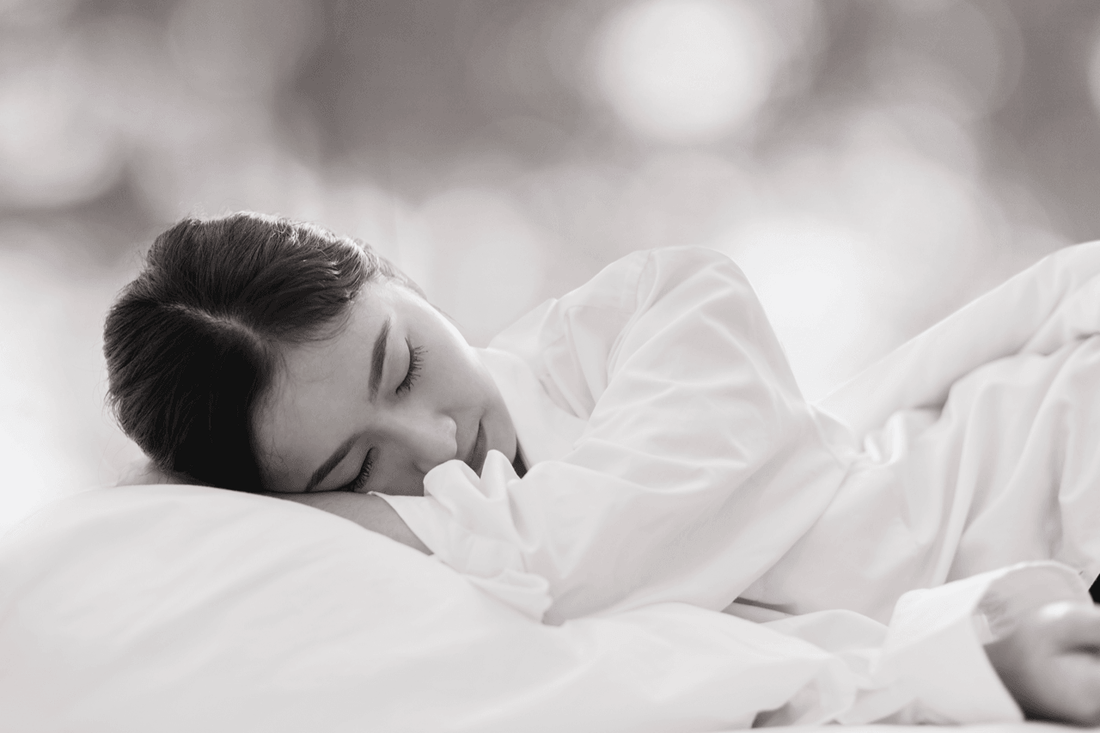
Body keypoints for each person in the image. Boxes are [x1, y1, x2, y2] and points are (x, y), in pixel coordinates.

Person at [104, 211, 1100, 726]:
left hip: (1055, 433)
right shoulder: (457, 612)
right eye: (356, 464)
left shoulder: (651, 311)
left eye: (404, 363)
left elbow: (595, 546)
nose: (436, 443)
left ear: (398, 277)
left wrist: (392, 520)